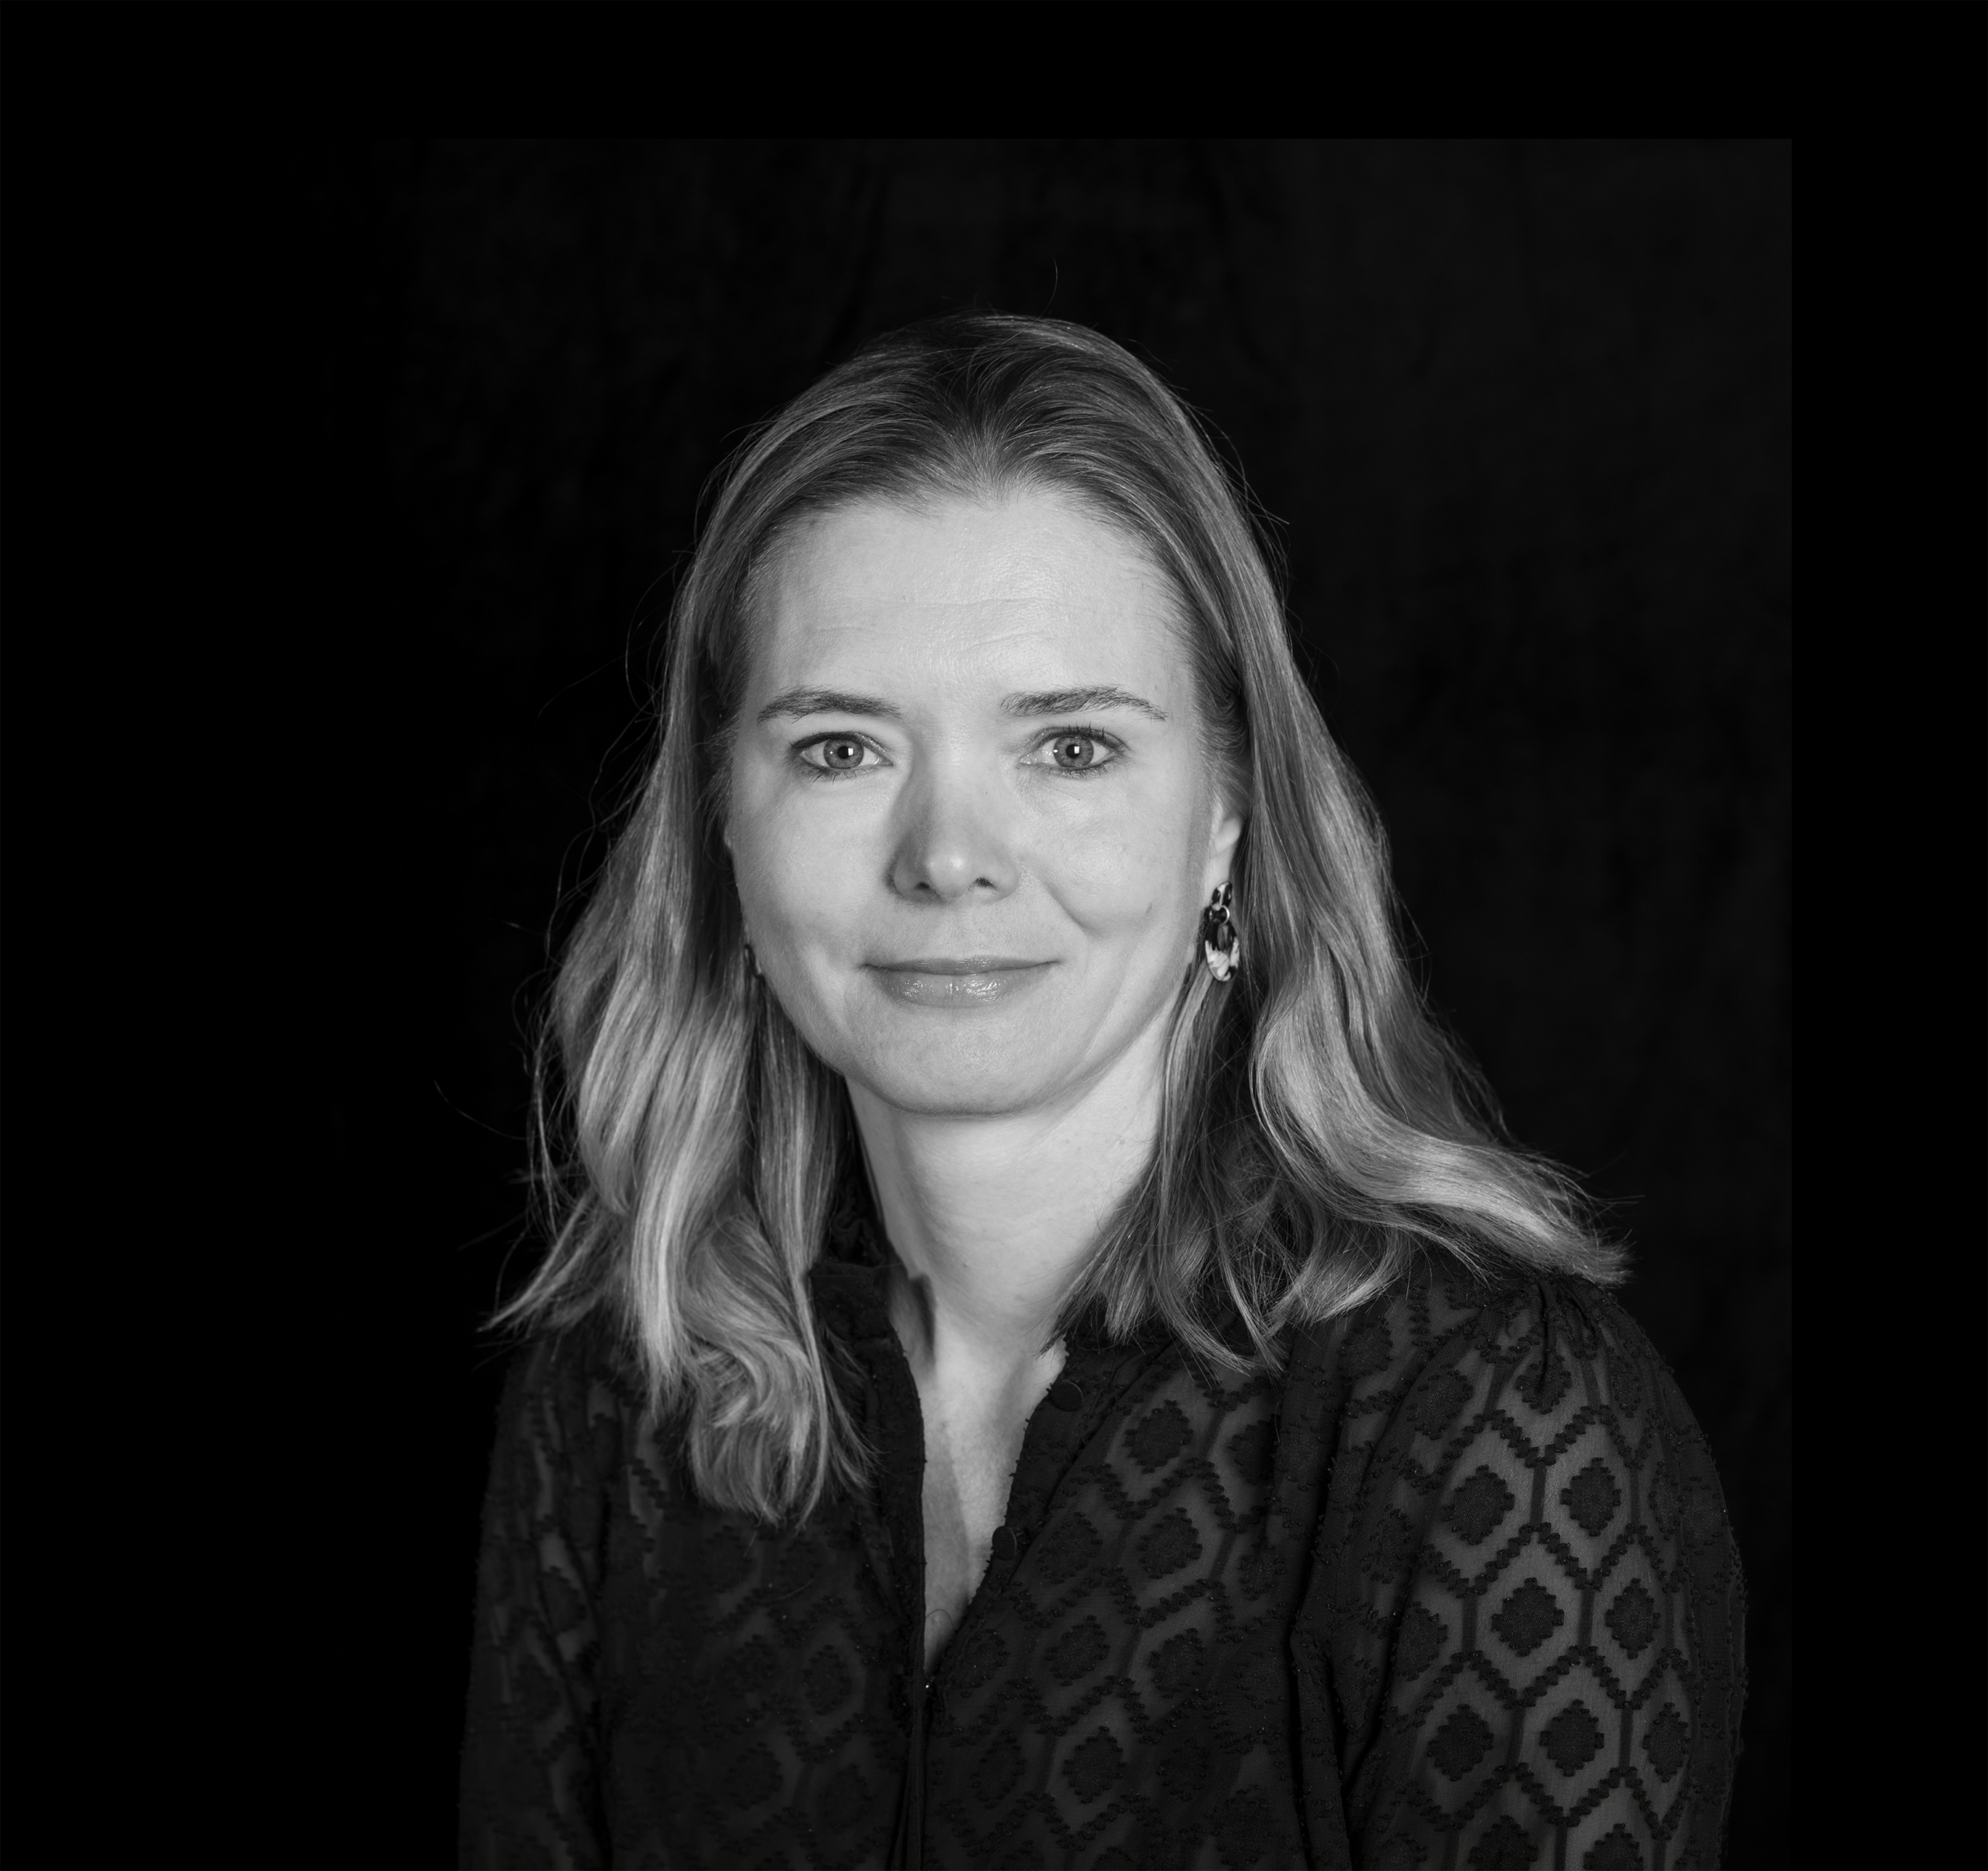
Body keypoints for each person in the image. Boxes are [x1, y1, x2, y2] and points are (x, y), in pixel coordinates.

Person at [460, 314, 1745, 1870]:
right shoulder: (624, 1383)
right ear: (722, 819)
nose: (949, 856)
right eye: (842, 748)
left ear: (1226, 819)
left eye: (1070, 747)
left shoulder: (1493, 1427)